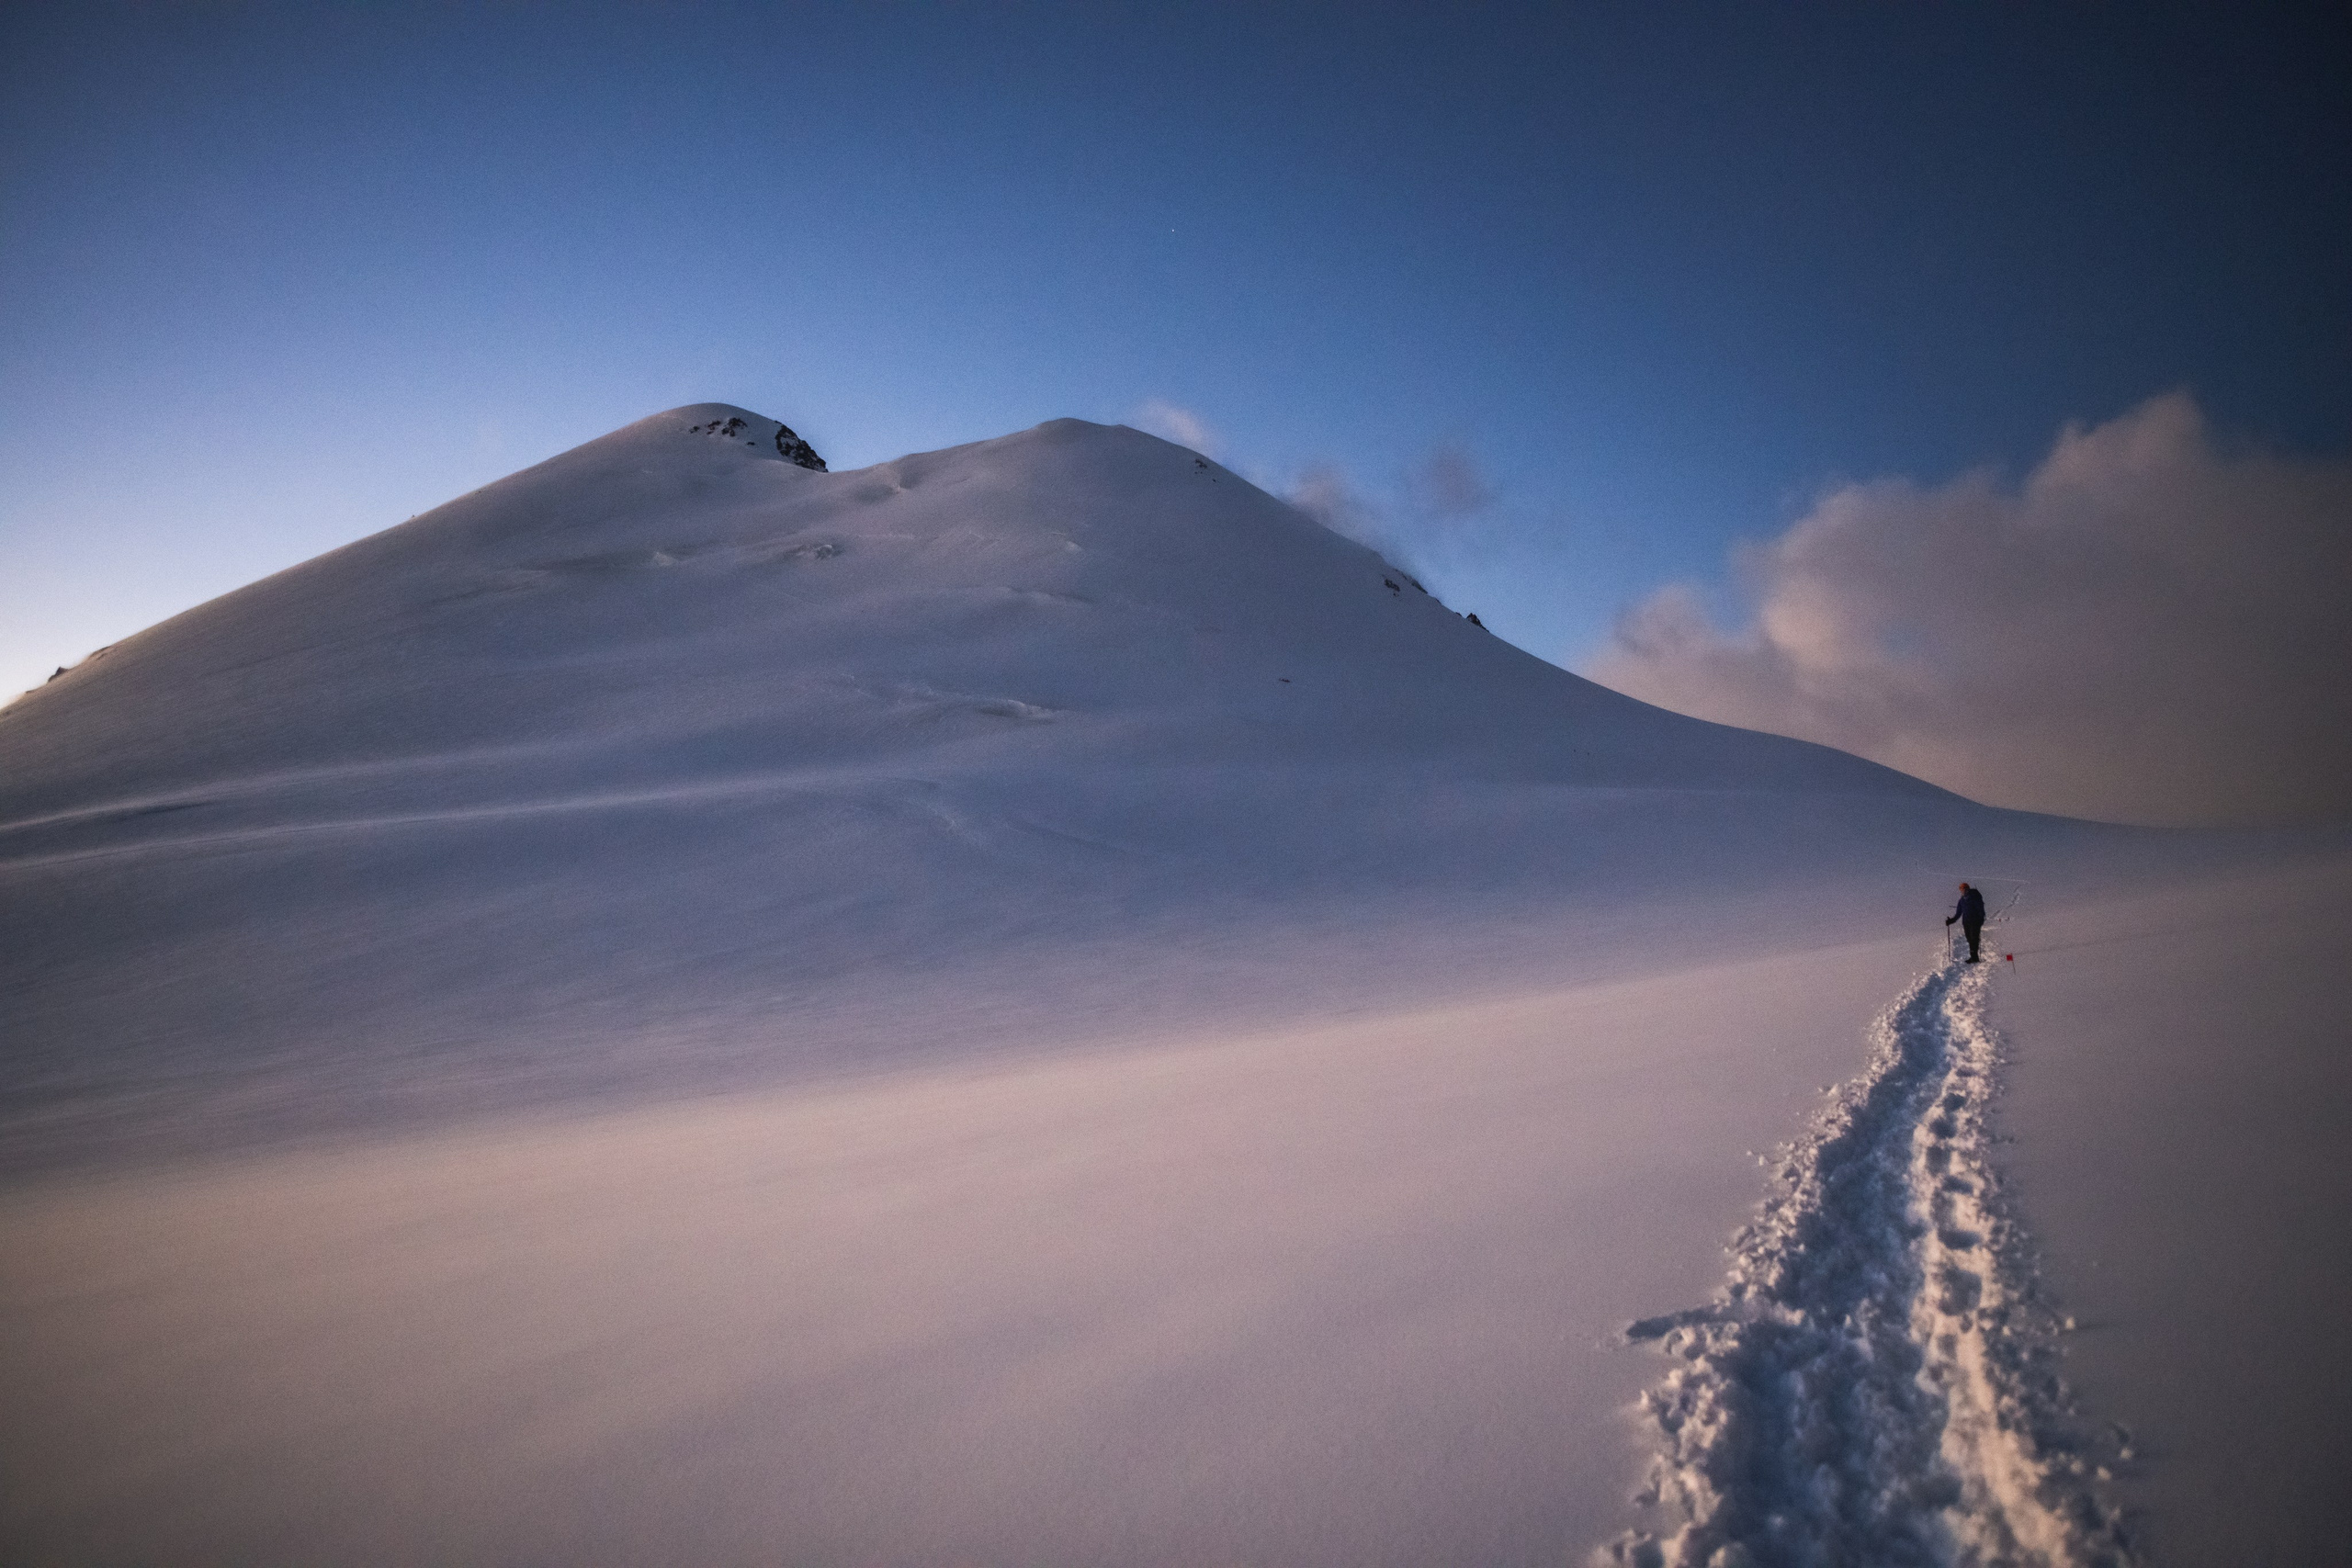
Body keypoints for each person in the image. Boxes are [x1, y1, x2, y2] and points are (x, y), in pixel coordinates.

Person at [1946, 882, 1987, 962]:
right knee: (1969, 939)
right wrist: (1951, 921)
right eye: (1962, 889)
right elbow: (1958, 913)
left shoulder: (1975, 897)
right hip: (1966, 922)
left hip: (1975, 921)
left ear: (1968, 889)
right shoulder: (1961, 901)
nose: (1963, 891)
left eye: (1965, 889)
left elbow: (1980, 909)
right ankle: (1973, 956)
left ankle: (1974, 958)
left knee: (1973, 939)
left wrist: (1981, 919)